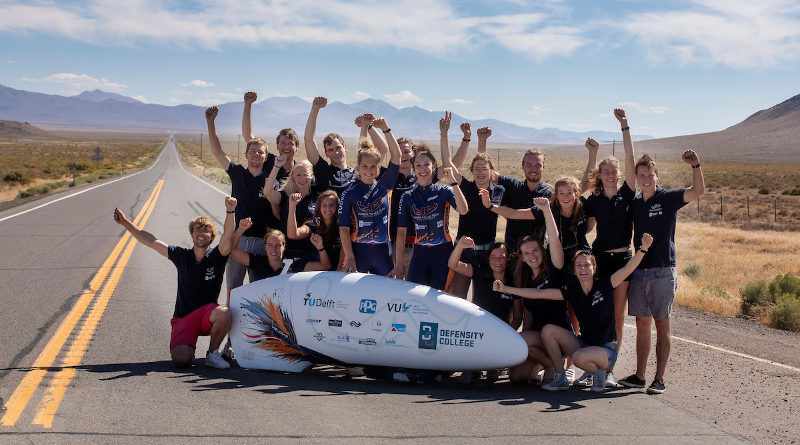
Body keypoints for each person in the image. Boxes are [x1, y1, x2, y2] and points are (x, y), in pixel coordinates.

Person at [514, 233, 655, 392]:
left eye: (587, 265)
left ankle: (601, 372)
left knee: (578, 357)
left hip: (605, 350)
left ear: (594, 267)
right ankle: (560, 377)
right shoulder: (573, 290)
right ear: (574, 270)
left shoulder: (606, 283)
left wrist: (643, 248)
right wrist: (507, 289)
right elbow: (539, 293)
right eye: (579, 265)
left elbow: (628, 269)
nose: (583, 269)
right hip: (585, 345)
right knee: (549, 330)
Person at [112, 197, 238, 369]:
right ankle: (187, 345)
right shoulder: (181, 255)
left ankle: (212, 353)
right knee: (181, 360)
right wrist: (126, 223)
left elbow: (228, 235)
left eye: (206, 230)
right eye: (197, 230)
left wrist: (230, 211)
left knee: (224, 312)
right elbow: (150, 240)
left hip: (207, 315)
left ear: (212, 236)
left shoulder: (218, 256)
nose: (201, 234)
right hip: (184, 317)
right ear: (192, 234)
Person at [618, 149, 705, 395]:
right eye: (641, 175)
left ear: (656, 176)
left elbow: (698, 192)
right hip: (640, 271)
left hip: (663, 271)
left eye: (649, 174)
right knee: (642, 324)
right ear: (636, 177)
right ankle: (639, 376)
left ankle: (660, 379)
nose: (645, 179)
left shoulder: (667, 198)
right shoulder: (635, 203)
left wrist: (696, 166)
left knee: (662, 324)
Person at [205, 100, 287, 299]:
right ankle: (232, 329)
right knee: (234, 290)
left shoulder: (271, 173)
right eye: (252, 151)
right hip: (238, 240)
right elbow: (217, 151)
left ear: (266, 156)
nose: (256, 154)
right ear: (246, 154)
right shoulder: (237, 173)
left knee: (259, 293)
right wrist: (210, 122)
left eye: (261, 152)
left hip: (262, 243)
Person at [580, 108, 637, 384]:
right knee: (595, 312)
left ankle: (609, 370)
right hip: (599, 259)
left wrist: (624, 126)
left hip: (623, 259)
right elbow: (578, 200)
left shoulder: (627, 193)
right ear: (600, 175)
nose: (611, 174)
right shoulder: (595, 199)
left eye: (614, 171)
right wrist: (591, 156)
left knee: (616, 315)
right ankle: (592, 364)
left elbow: (630, 158)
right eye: (606, 172)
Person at [490, 197, 569, 385]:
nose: (532, 255)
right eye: (527, 253)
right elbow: (527, 315)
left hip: (558, 335)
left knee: (525, 339)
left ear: (542, 251)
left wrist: (547, 210)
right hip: (538, 337)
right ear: (522, 258)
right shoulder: (523, 278)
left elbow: (555, 238)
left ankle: (559, 370)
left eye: (535, 250)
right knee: (517, 376)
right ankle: (548, 366)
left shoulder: (553, 268)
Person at [442, 113, 504, 298]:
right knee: (458, 298)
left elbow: (483, 158)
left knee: (483, 300)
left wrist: (482, 140)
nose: (480, 172)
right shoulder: (466, 187)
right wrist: (444, 135)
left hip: (487, 255)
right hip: (464, 250)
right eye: (476, 169)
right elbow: (448, 164)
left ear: (491, 171)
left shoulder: (498, 191)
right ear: (472, 171)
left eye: (485, 169)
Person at [395, 148, 469, 290]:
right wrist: (399, 264)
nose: (422, 169)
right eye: (418, 165)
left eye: (426, 164)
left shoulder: (444, 191)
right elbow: (401, 233)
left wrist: (454, 183)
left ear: (433, 166)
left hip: (443, 252)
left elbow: (463, 210)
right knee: (414, 296)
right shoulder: (407, 196)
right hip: (420, 253)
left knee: (440, 296)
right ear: (413, 168)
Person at [338, 117, 402, 275]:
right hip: (359, 253)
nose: (369, 170)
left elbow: (397, 156)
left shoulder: (385, 186)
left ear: (379, 168)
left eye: (373, 166)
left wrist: (386, 128)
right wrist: (350, 256)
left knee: (384, 294)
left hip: (383, 252)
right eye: (364, 166)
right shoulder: (349, 193)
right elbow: (344, 229)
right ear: (358, 167)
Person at [495, 149, 553, 254]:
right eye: (529, 164)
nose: (533, 169)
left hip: (536, 256)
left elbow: (517, 214)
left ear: (543, 167)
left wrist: (491, 206)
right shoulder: (514, 186)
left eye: (538, 165)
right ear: (522, 166)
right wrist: (482, 140)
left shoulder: (549, 194)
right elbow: (487, 172)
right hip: (513, 253)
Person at [262, 158, 319, 263]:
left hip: (308, 254)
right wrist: (276, 167)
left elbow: (298, 232)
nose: (302, 178)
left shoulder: (316, 198)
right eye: (298, 175)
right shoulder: (285, 195)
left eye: (305, 174)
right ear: (292, 177)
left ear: (311, 176)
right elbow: (267, 192)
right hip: (285, 254)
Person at [304, 97, 355, 194]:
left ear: (345, 147)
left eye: (338, 148)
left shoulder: (356, 173)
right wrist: (315, 109)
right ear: (326, 153)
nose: (336, 152)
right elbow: (308, 140)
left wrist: (366, 126)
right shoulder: (324, 171)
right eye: (330, 150)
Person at [287, 190, 340, 271]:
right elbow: (293, 234)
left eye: (331, 205)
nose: (328, 208)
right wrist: (292, 206)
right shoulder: (313, 224)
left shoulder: (343, 226)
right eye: (324, 205)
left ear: (337, 207)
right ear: (319, 207)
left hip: (335, 269)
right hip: (315, 267)